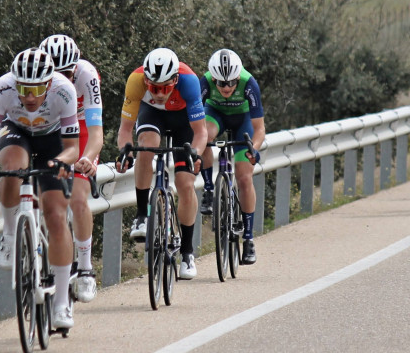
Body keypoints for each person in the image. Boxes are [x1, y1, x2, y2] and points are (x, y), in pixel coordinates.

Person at [0, 47, 80, 330]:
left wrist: (61, 161)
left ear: (49, 83)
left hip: (54, 139)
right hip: (17, 132)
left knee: (56, 216)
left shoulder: (64, 91)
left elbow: (73, 148)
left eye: (36, 90)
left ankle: (61, 303)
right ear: (14, 83)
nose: (30, 97)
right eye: (23, 89)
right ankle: (9, 233)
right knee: (11, 169)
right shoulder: (3, 89)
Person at [116, 47, 208, 279]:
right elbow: (125, 130)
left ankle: (187, 252)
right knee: (145, 147)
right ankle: (141, 216)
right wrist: (125, 151)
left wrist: (195, 153)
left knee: (186, 184)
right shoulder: (136, 80)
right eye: (153, 87)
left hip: (182, 121)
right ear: (146, 80)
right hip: (152, 115)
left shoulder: (189, 81)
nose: (158, 93)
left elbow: (201, 131)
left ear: (175, 81)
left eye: (165, 88)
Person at [40, 33, 103, 303]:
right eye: (57, 73)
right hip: (51, 130)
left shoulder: (87, 75)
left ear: (75, 67)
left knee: (78, 198)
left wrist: (88, 158)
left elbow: (97, 130)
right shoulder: (35, 73)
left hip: (81, 129)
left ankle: (86, 269)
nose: (63, 79)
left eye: (67, 72)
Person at [197, 49, 265, 264]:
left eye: (231, 83)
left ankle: (248, 238)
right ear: (213, 79)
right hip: (215, 115)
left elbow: (260, 128)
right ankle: (209, 189)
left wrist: (253, 149)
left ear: (238, 78)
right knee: (204, 136)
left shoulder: (249, 83)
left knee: (244, 178)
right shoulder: (205, 82)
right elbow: (194, 121)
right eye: (221, 84)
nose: (226, 88)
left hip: (242, 121)